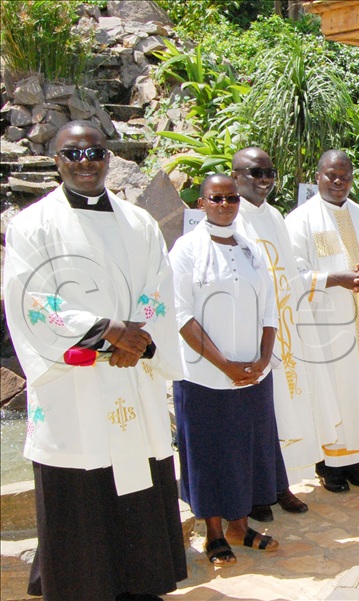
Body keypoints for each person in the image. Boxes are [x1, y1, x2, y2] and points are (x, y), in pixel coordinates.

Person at [3, 121, 187, 599]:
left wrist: (140, 342)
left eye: (95, 153)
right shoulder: (32, 224)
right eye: (73, 155)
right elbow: (29, 299)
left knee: (139, 484)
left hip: (133, 372)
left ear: (108, 158)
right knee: (80, 488)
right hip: (75, 384)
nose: (86, 163)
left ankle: (142, 584)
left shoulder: (139, 221)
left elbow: (158, 288)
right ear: (56, 161)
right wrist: (109, 333)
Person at [171, 174, 281, 566]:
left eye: (231, 198)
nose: (225, 205)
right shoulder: (186, 250)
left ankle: (240, 525)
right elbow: (181, 315)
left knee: (244, 451)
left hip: (252, 374)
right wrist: (224, 365)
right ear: (201, 204)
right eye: (216, 198)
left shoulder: (250, 248)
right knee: (208, 454)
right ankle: (214, 534)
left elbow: (269, 308)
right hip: (203, 376)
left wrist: (264, 359)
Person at [285, 150, 359, 493]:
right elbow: (293, 274)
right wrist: (336, 279)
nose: (338, 182)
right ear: (318, 176)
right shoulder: (300, 221)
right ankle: (329, 467)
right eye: (331, 175)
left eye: (344, 177)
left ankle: (356, 463)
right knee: (330, 391)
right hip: (323, 325)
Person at [231, 147, 327, 523]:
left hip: (286, 329)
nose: (265, 179)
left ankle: (281, 484)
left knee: (284, 412)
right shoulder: (230, 217)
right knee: (254, 417)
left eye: (270, 172)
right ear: (236, 175)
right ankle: (255, 494)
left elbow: (289, 274)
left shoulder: (274, 216)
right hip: (249, 335)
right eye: (256, 172)